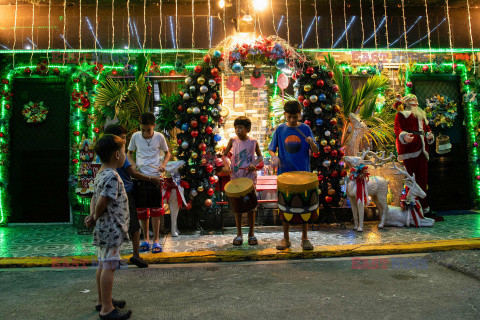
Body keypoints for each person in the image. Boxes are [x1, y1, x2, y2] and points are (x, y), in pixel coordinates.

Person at [85, 134, 132, 320]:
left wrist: (92, 216)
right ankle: (107, 309)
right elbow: (102, 200)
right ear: (117, 155)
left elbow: (94, 198)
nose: (125, 154)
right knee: (110, 266)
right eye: (123, 151)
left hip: (105, 228)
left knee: (103, 263)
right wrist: (95, 216)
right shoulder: (112, 176)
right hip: (111, 228)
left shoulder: (101, 174)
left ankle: (103, 300)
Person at [104, 125, 163, 267]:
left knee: (114, 225)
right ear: (115, 139)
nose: (125, 141)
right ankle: (136, 255)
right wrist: (151, 179)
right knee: (134, 226)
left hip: (109, 192)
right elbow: (133, 173)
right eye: (123, 138)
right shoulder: (120, 154)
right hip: (125, 193)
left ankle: (113, 256)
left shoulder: (103, 154)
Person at [268, 101, 319, 251]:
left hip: (303, 174)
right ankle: (286, 239)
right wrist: (274, 157)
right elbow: (271, 149)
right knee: (284, 207)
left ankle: (305, 239)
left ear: (300, 114)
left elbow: (315, 151)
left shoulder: (305, 129)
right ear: (285, 115)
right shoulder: (280, 130)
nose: (292, 120)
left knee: (305, 206)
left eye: (295, 117)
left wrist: (312, 143)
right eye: (289, 117)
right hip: (285, 176)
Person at [127, 113, 171, 253]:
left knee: (156, 210)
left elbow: (167, 153)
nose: (145, 133)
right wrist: (133, 165)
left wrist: (163, 164)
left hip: (155, 176)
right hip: (140, 176)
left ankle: (156, 240)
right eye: (143, 130)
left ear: (153, 126)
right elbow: (129, 153)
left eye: (148, 130)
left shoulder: (159, 137)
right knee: (142, 210)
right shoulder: (135, 136)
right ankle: (145, 239)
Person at [394, 94, 441, 221]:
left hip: (422, 148)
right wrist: (404, 136)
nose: (415, 102)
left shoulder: (421, 115)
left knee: (422, 179)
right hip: (410, 148)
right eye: (411, 100)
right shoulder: (401, 115)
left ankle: (424, 207)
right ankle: (412, 207)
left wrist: (429, 135)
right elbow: (397, 129)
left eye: (415, 99)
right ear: (406, 103)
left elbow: (427, 128)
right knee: (411, 178)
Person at [223, 116, 263, 246]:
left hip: (249, 177)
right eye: (236, 127)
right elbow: (224, 155)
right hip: (236, 176)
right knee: (237, 205)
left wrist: (254, 164)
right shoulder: (233, 140)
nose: (237, 130)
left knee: (251, 206)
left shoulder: (253, 142)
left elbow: (260, 157)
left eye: (240, 127)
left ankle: (251, 234)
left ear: (248, 129)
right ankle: (238, 234)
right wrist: (227, 164)